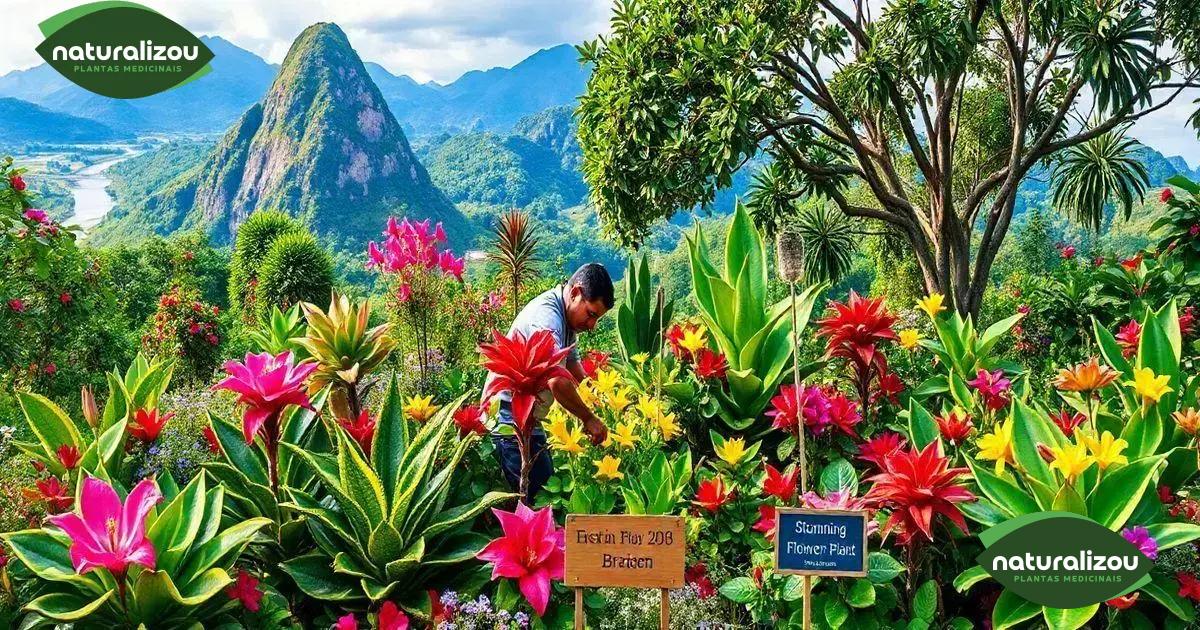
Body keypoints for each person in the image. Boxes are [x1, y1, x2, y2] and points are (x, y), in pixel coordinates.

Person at [484, 263, 613, 503]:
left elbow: (572, 366)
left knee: (543, 493)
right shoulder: (547, 317)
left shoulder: (568, 320)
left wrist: (598, 395)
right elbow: (556, 379)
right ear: (575, 293)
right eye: (591, 314)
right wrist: (588, 418)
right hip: (509, 417)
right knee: (533, 501)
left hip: (530, 419)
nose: (592, 325)